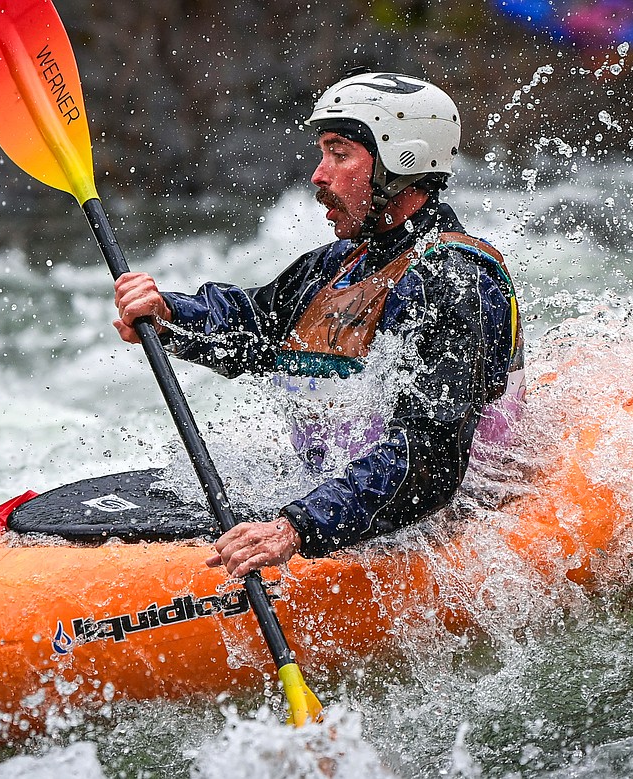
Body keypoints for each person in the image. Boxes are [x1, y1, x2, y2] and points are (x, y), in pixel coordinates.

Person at [113, 71, 524, 578]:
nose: (318, 175)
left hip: (450, 515)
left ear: (402, 165)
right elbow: (256, 328)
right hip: (345, 504)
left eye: (339, 153)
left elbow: (431, 458)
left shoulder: (457, 282)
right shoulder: (341, 263)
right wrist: (169, 316)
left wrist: (296, 528)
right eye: (322, 153)